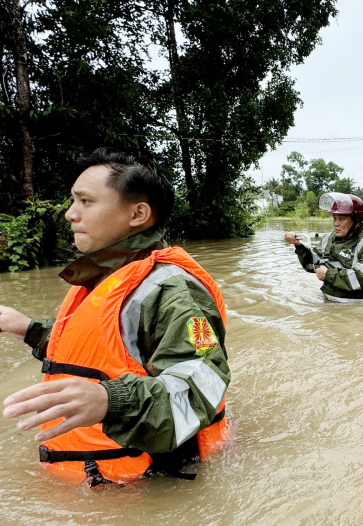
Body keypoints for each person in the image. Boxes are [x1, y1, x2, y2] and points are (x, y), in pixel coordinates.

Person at [0, 148, 230, 485]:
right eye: (72, 200)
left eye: (85, 201)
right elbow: (104, 352)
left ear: (138, 214)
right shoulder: (108, 276)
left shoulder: (173, 292)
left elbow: (202, 386)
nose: (69, 214)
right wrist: (27, 329)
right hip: (93, 482)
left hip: (151, 484)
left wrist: (110, 400)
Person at [285, 192, 363, 301]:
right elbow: (311, 266)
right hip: (329, 301)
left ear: (356, 221)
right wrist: (300, 247)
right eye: (334, 218)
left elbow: (362, 278)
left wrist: (328, 274)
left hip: (357, 306)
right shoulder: (328, 239)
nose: (336, 223)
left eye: (341, 219)